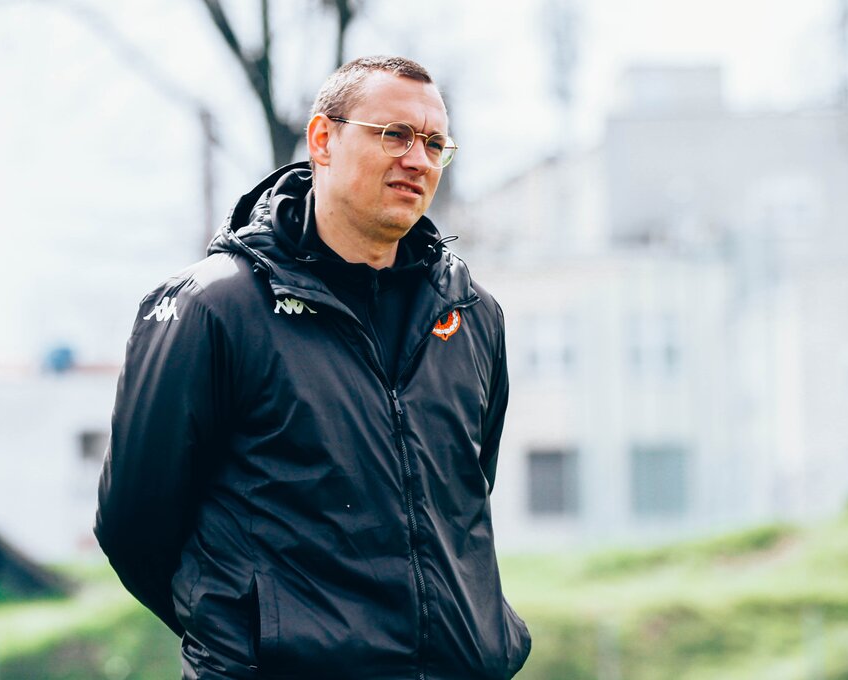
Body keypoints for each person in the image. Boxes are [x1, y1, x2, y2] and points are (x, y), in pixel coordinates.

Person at [95, 55, 531, 680]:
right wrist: (244, 639)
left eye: (435, 144)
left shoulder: (471, 315)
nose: (418, 159)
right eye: (395, 135)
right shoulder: (215, 307)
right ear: (323, 140)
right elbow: (134, 526)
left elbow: (462, 499)